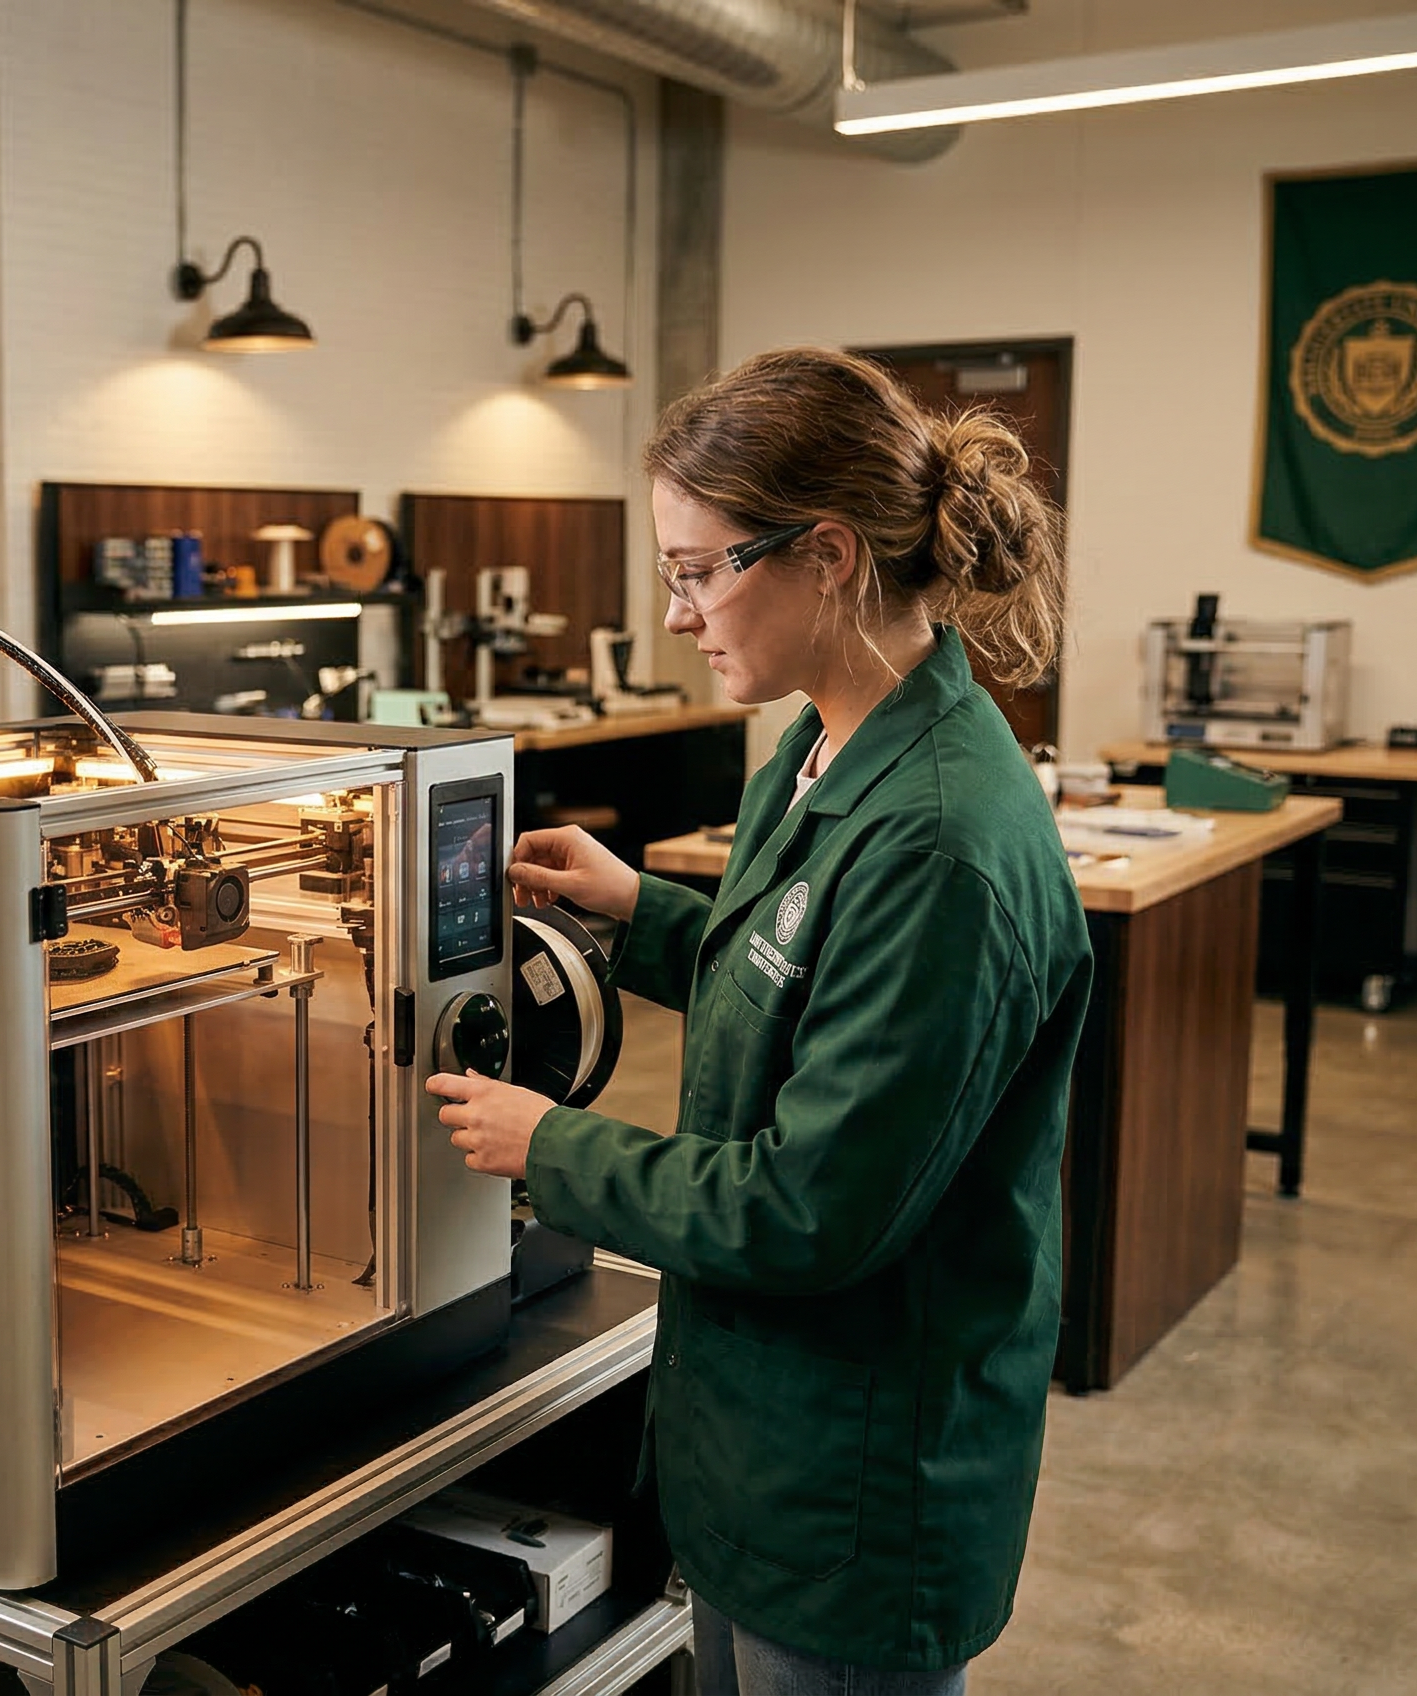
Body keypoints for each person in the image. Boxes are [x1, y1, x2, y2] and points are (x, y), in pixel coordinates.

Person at [426, 347, 1093, 1694]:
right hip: (758, 1444)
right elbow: (799, 979)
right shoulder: (827, 740)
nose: (676, 612)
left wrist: (546, 1145)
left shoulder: (943, 842)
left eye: (696, 567)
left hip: (856, 1477)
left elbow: (804, 1209)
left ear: (829, 555)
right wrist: (637, 912)